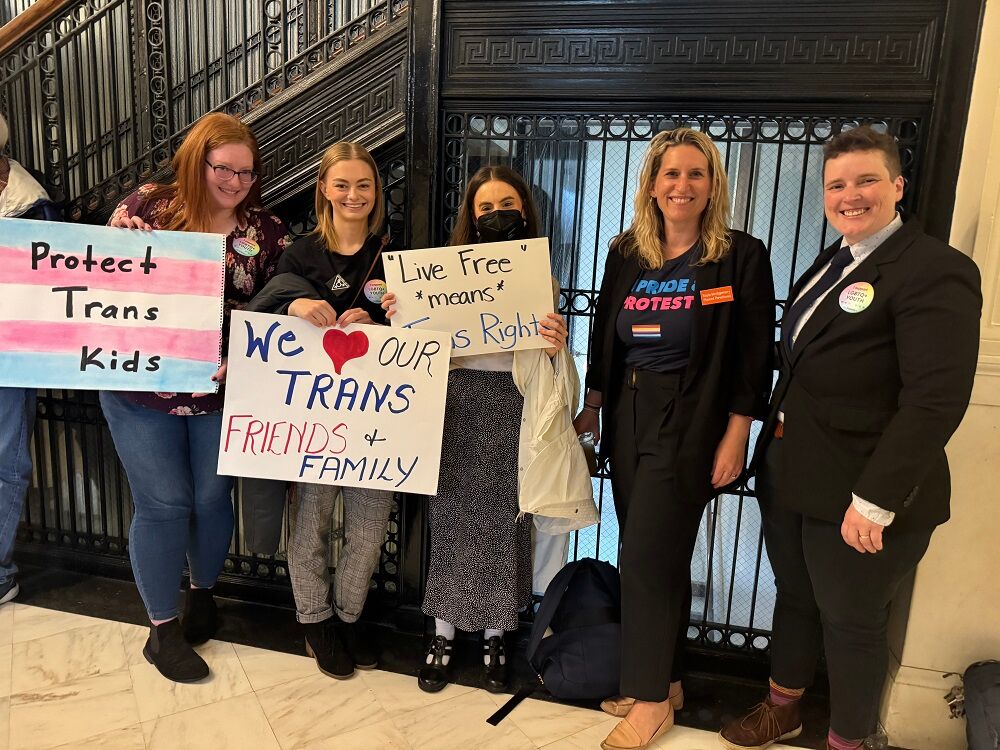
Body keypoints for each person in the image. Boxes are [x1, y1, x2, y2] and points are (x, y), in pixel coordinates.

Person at [718, 127, 982, 750]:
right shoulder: (835, 260)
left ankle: (848, 742)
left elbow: (935, 399)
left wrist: (875, 498)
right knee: (796, 601)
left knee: (853, 625)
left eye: (866, 180)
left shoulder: (935, 270)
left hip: (863, 496)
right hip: (795, 478)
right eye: (836, 184)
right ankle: (783, 707)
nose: (850, 195)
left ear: (897, 185)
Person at [572, 128, 775, 750]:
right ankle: (669, 678)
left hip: (693, 416)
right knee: (649, 547)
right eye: (671, 174)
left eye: (695, 174)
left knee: (645, 559)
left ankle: (651, 700)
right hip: (630, 410)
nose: (682, 186)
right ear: (651, 185)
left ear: (713, 184)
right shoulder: (627, 252)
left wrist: (738, 429)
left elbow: (753, 351)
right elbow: (608, 328)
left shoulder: (739, 255)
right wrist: (594, 403)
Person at [382, 165, 590, 694]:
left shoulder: (540, 276)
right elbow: (417, 343)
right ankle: (443, 634)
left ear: (525, 211)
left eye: (507, 206)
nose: (497, 216)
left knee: (505, 524)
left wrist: (555, 343)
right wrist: (399, 314)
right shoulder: (443, 274)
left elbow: (549, 364)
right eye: (486, 209)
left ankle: (500, 634)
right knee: (452, 522)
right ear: (470, 219)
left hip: (513, 407)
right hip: (454, 405)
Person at [102, 112, 288, 683]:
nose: (235, 182)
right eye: (223, 169)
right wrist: (115, 250)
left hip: (221, 390)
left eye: (247, 172)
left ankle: (203, 594)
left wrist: (257, 350)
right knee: (164, 503)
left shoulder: (268, 232)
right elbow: (91, 281)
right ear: (196, 161)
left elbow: (280, 308)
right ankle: (161, 632)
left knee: (210, 500)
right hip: (140, 387)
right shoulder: (146, 209)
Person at [248, 141, 395, 680]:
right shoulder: (300, 253)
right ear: (324, 190)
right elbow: (265, 315)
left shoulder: (397, 252)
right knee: (309, 520)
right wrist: (294, 305)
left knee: (368, 524)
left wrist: (381, 325)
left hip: (381, 421)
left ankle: (350, 617)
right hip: (314, 420)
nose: (353, 195)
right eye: (342, 185)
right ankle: (315, 619)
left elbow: (425, 330)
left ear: (377, 192)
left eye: (363, 185)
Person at [0, 112, 61, 607]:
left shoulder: (30, 205)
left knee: (5, 460)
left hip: (10, 352)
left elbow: (46, 284)